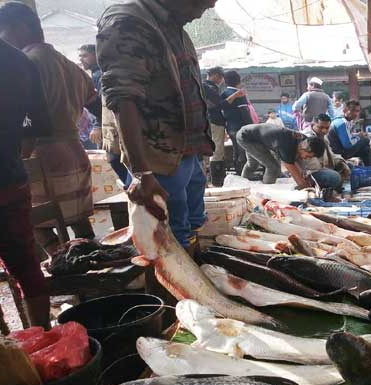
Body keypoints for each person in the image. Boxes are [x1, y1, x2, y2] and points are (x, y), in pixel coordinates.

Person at [97, 0, 216, 252]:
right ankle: (178, 290)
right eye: (200, 5)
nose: (199, 15)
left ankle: (195, 277)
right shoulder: (127, 21)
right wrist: (143, 172)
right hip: (157, 158)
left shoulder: (173, 25)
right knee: (168, 239)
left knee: (192, 225)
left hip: (186, 152)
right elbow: (122, 97)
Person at [0, 2, 97, 257]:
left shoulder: (24, 63)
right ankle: (94, 262)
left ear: (18, 29)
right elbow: (92, 96)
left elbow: (23, 118)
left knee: (36, 220)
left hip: (41, 155)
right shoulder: (67, 63)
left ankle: (62, 264)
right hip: (73, 150)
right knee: (79, 220)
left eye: (0, 34)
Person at [0, 33, 52, 332]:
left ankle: (2, 351)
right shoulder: (17, 59)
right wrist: (10, 155)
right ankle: (43, 337)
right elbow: (38, 124)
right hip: (10, 179)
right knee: (26, 264)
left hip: (8, 177)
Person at [237, 123, 325, 187]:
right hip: (246, 137)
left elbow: (298, 161)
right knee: (273, 167)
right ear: (304, 148)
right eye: (308, 156)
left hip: (254, 134)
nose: (306, 158)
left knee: (253, 164)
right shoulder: (287, 145)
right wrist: (304, 187)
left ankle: (242, 184)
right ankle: (267, 194)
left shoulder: (304, 140)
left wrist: (304, 175)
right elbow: (293, 170)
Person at [301, 114, 351, 192]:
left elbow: (331, 154)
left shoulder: (323, 135)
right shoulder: (307, 138)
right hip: (311, 172)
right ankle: (330, 190)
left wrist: (341, 162)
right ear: (313, 125)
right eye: (321, 127)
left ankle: (335, 187)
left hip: (324, 167)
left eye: (327, 128)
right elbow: (313, 166)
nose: (324, 130)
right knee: (335, 177)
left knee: (348, 166)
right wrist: (333, 171)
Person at [221, 69, 254, 174]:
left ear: (225, 82)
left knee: (236, 149)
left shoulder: (224, 94)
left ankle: (237, 171)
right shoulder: (239, 94)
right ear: (239, 81)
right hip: (241, 127)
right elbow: (244, 112)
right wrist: (251, 127)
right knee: (243, 150)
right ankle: (243, 173)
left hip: (230, 126)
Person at [329, 100, 371, 166]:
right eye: (353, 111)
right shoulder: (342, 123)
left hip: (341, 149)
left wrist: (357, 135)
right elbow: (348, 144)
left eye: (358, 111)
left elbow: (346, 136)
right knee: (365, 140)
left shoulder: (343, 121)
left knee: (366, 150)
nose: (356, 114)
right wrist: (359, 137)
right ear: (345, 111)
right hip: (338, 153)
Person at [203, 66, 228, 187]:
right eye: (221, 77)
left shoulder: (208, 87)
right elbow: (218, 103)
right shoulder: (207, 87)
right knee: (217, 150)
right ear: (215, 75)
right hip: (214, 121)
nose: (222, 80)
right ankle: (216, 181)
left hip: (212, 121)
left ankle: (212, 179)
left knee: (214, 150)